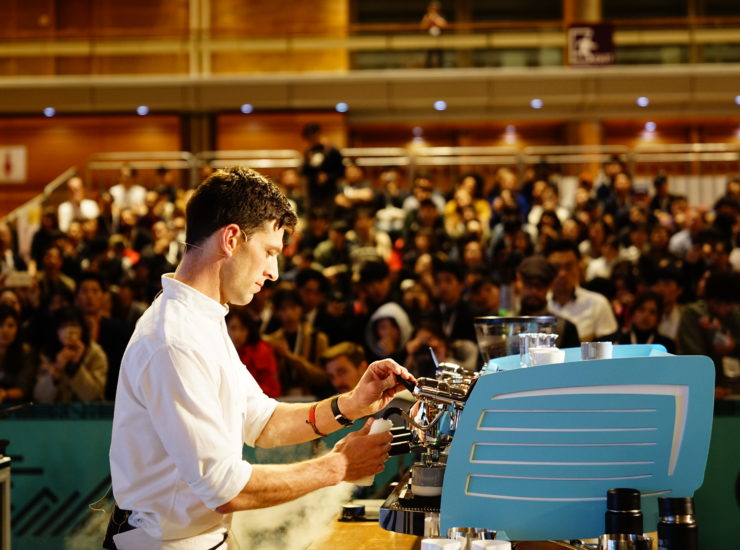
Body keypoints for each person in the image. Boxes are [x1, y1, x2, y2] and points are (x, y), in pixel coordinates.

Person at [108, 167, 414, 550]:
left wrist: (350, 404)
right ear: (231, 239)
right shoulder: (174, 339)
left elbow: (262, 422)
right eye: (269, 252)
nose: (273, 272)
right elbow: (224, 489)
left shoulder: (202, 318)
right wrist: (337, 467)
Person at [545, 239, 618, 342]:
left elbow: (610, 347)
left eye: (569, 266)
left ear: (579, 266)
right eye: (556, 267)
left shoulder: (598, 303)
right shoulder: (541, 305)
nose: (562, 274)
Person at [34, 305, 108, 403]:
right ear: (56, 330)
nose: (69, 330)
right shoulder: (47, 353)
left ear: (82, 328)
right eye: (63, 326)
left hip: (88, 411)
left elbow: (93, 395)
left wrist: (76, 367)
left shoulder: (96, 354)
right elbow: (40, 397)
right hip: (57, 412)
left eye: (74, 325)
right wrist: (56, 372)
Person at [515, 255, 580, 348]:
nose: (534, 291)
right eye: (528, 285)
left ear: (550, 285)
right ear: (519, 282)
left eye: (540, 286)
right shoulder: (505, 323)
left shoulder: (565, 328)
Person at [225, 307, 281, 398]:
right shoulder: (221, 350)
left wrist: (242, 390)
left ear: (249, 330)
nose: (237, 334)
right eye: (233, 328)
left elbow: (273, 390)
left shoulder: (262, 351)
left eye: (242, 328)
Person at [0, 305, 38, 403]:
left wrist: (5, 394)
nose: (5, 330)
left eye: (11, 326)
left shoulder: (26, 352)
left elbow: (24, 389)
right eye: (1, 325)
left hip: (17, 405)